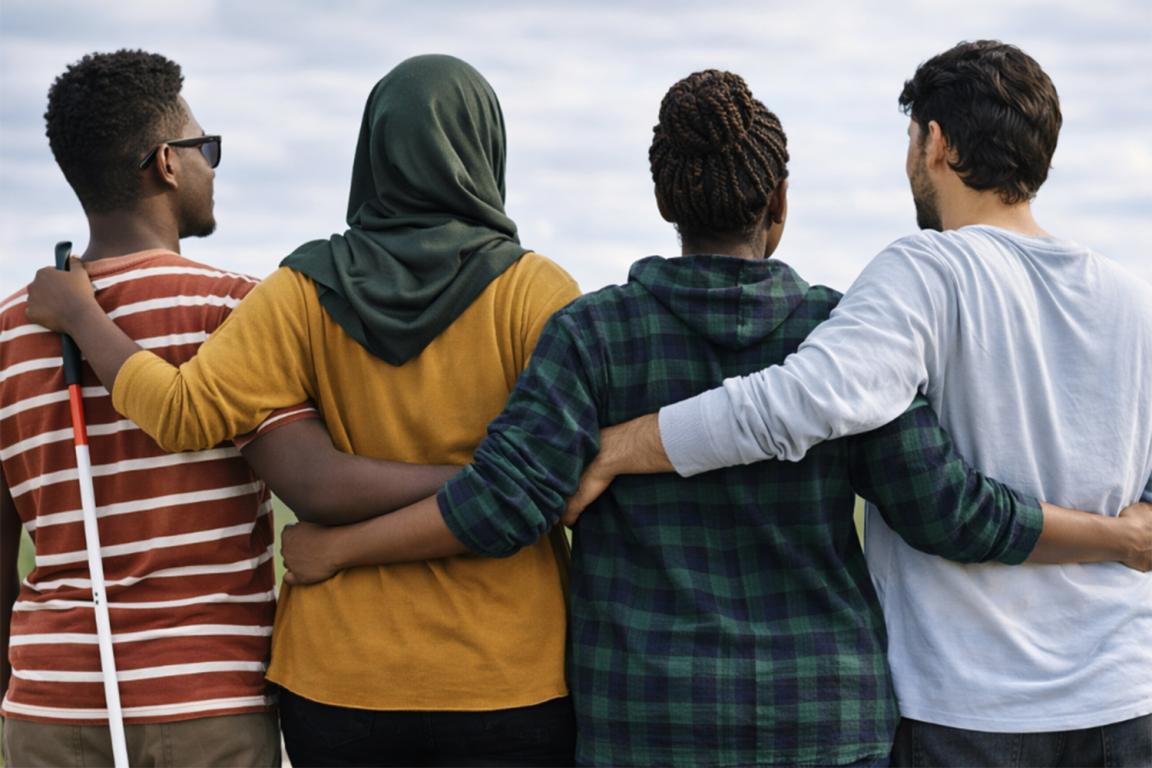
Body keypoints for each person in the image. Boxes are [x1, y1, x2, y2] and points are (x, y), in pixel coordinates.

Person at [273, 70, 1149, 767]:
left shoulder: (593, 335)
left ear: (666, 203)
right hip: (826, 717)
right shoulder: (836, 330)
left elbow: (507, 504)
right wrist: (1111, 535)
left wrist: (337, 546)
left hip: (645, 716)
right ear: (779, 205)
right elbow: (932, 503)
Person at [566, 41, 1152, 766]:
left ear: (935, 143)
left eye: (911, 139)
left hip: (970, 705)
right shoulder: (1132, 299)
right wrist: (1125, 534)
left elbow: (799, 403)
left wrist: (625, 446)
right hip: (1125, 696)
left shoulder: (928, 270)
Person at [24, 54, 581, 767]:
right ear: (486, 149)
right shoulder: (539, 293)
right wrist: (486, 476)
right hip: (510, 676)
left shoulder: (300, 288)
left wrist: (84, 319)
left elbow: (183, 411)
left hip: (339, 677)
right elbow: (556, 481)